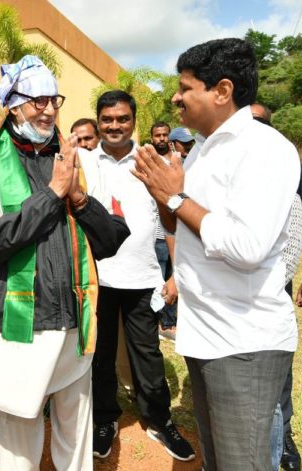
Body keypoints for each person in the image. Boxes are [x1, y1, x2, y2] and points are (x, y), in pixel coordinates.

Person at [133, 38, 300, 471]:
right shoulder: (206, 149)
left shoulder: (263, 149)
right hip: (207, 334)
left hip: (244, 342)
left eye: (186, 87)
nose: (176, 97)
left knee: (241, 463)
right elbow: (181, 225)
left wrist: (175, 198)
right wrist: (161, 195)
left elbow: (246, 247)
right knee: (220, 461)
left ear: (221, 91)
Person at [0, 55, 129, 471]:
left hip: (75, 317)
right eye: (37, 100)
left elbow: (110, 240)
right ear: (12, 105)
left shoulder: (82, 160)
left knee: (76, 428)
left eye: (54, 98)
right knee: (19, 426)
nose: (49, 109)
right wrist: (53, 194)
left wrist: (78, 199)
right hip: (21, 322)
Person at [78, 91, 195, 462]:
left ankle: (159, 420)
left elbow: (170, 219)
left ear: (134, 121)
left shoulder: (150, 161)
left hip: (143, 280)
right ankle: (104, 420)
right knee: (99, 357)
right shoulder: (82, 160)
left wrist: (175, 273)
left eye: (122, 119)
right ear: (98, 121)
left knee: (148, 355)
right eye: (107, 119)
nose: (114, 125)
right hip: (96, 280)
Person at [252, 102, 302, 471]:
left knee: (277, 362)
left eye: (260, 121)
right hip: (236, 288)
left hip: (276, 282)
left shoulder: (289, 165)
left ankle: (285, 432)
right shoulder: (228, 163)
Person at [150, 121, 180, 340]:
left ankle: (169, 322)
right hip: (158, 235)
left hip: (180, 233)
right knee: (159, 279)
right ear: (152, 138)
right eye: (157, 135)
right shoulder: (150, 162)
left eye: (164, 135)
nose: (161, 138)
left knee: (175, 276)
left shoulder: (179, 161)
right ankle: (160, 322)